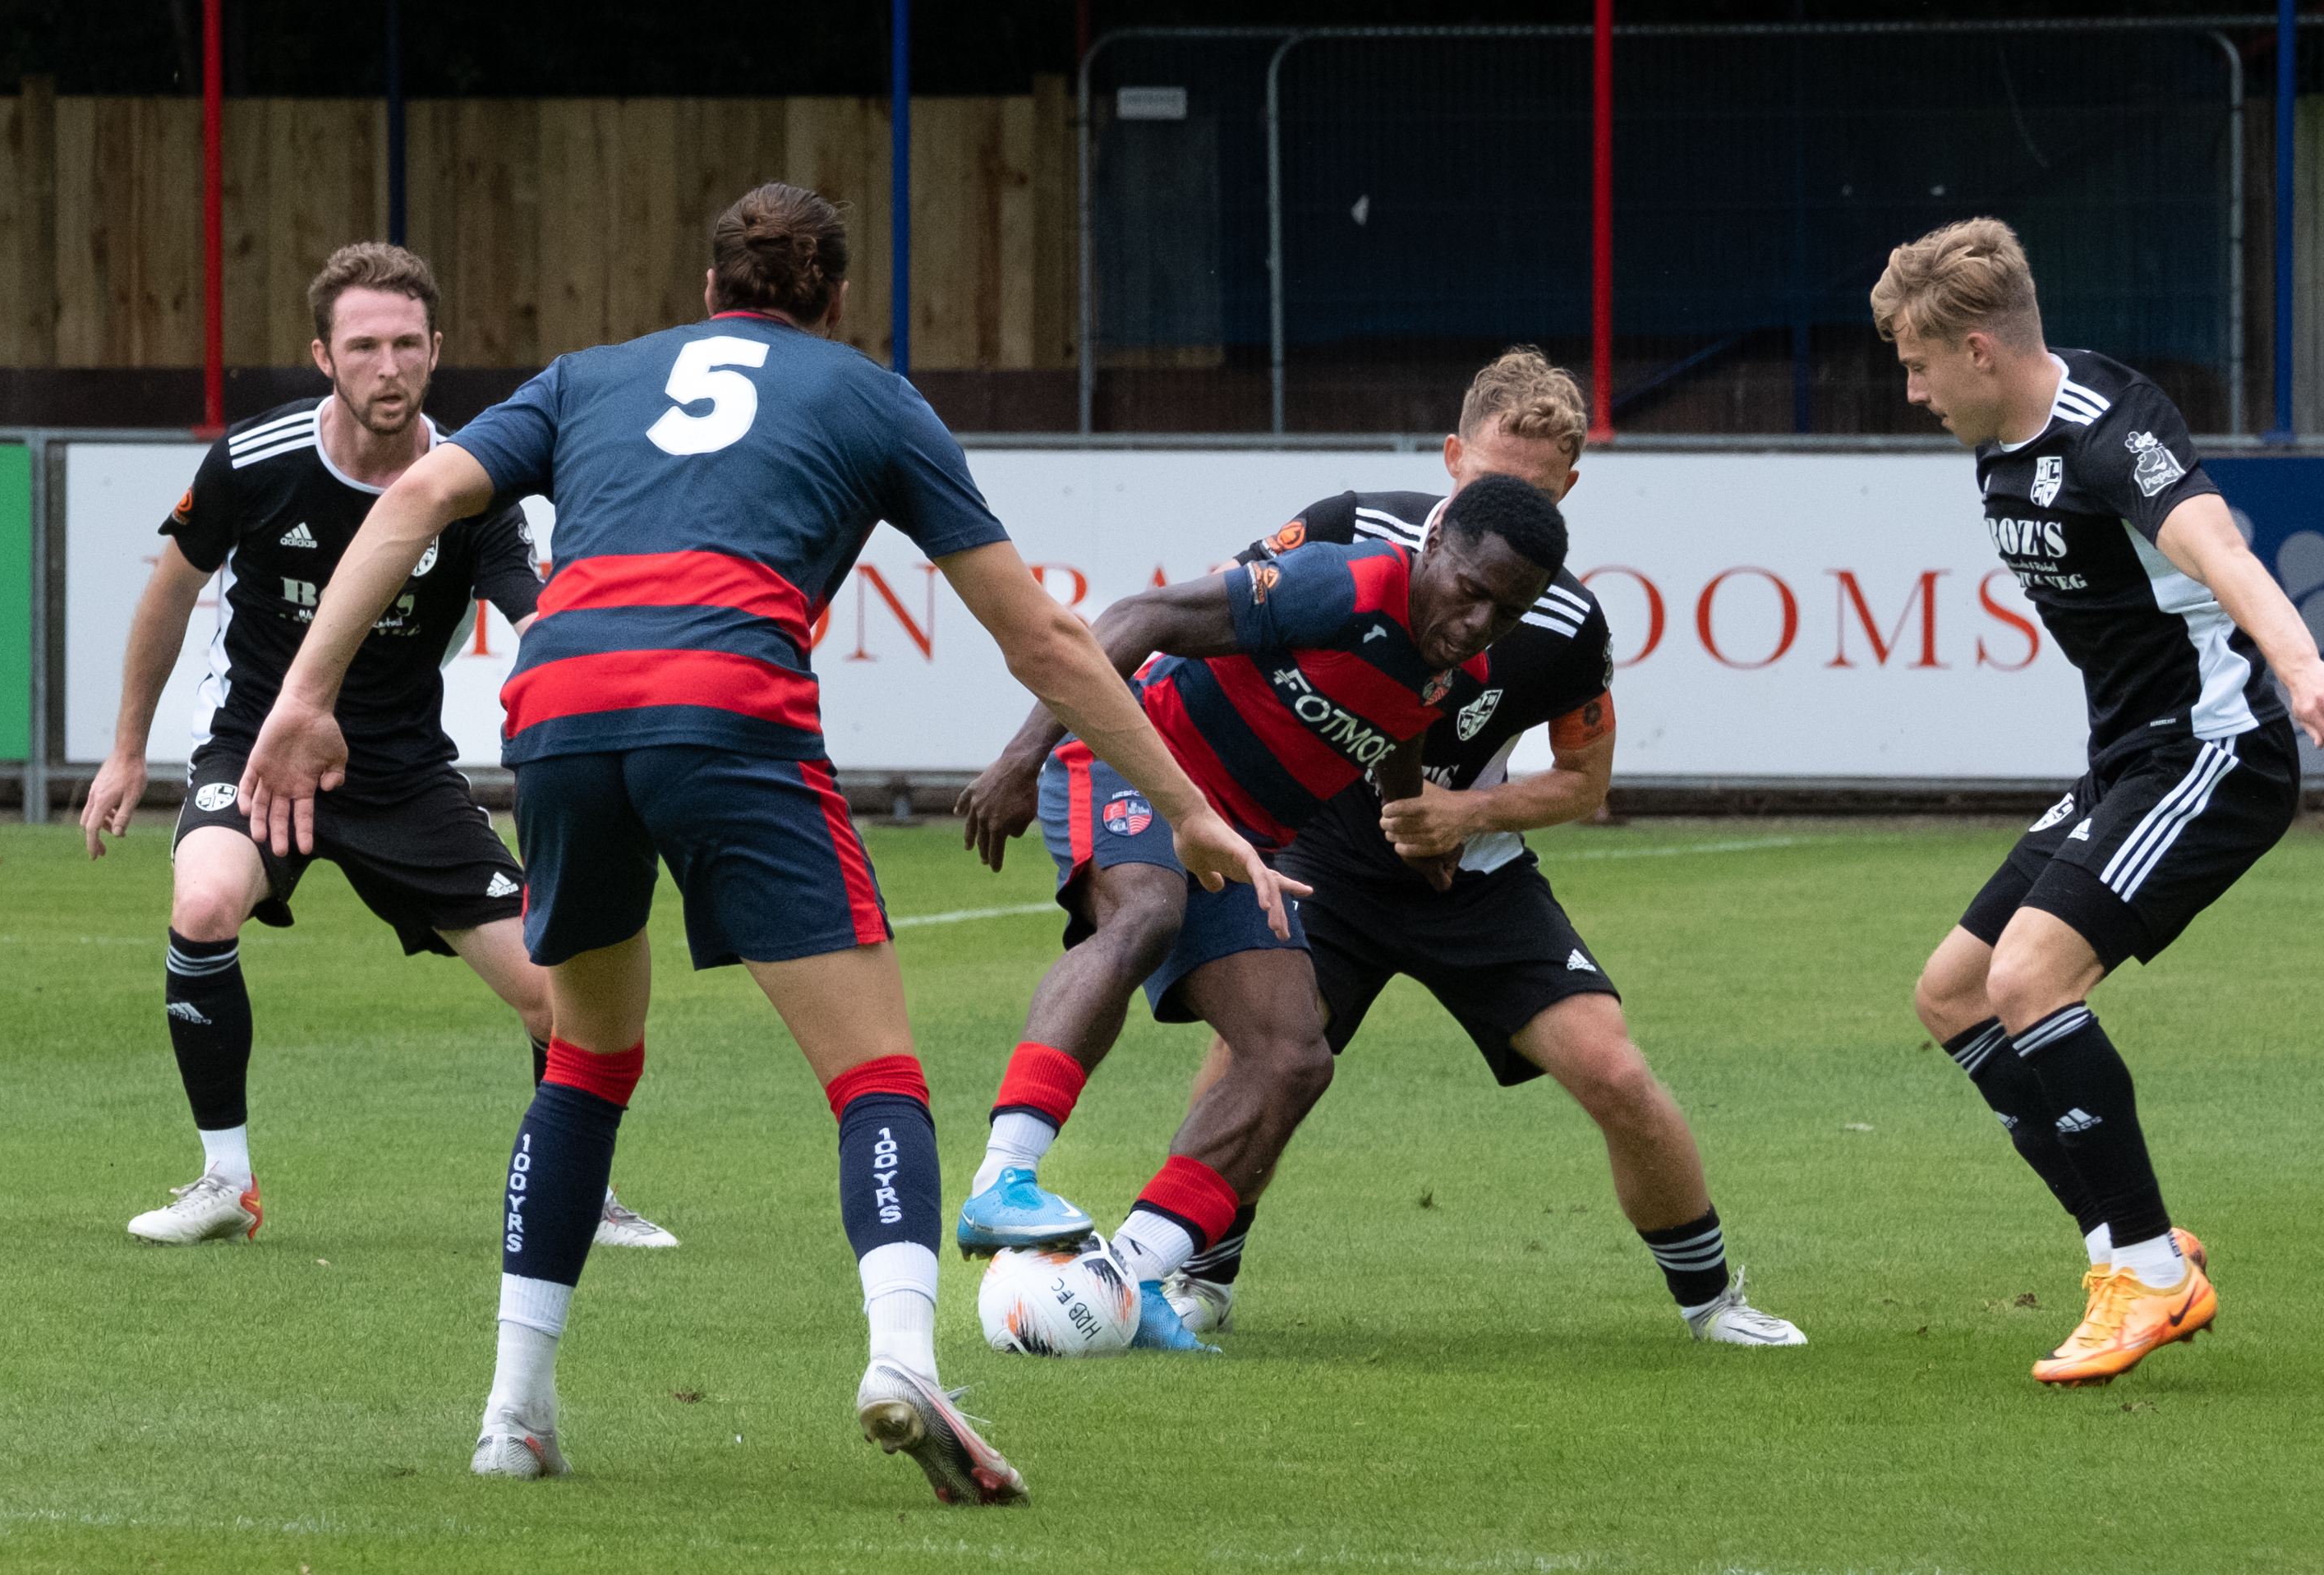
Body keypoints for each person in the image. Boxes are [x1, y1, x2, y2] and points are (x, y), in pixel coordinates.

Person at [237, 183, 1287, 1504]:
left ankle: (515, 1411)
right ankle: (904, 1358)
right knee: (876, 1077)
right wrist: (1187, 804)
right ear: (836, 299)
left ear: (709, 291)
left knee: (586, 1058)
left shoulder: (587, 377)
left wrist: (303, 695)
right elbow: (1047, 640)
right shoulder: (870, 395)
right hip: (724, 705)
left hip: (559, 710)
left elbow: (412, 505)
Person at [1155, 348, 1802, 1347]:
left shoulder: (1568, 624)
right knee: (1256, 1060)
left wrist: (1468, 816)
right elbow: (1209, 636)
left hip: (1472, 881)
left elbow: (1584, 784)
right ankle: (1195, 1277)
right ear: (1453, 458)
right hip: (1323, 852)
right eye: (1492, 486)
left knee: (1616, 1075)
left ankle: (1713, 1302)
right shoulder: (1343, 531)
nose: (1510, 529)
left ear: (1570, 493)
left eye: (1538, 501)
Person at [78, 242, 674, 1252]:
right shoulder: (252, 463)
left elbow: (539, 620)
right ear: (324, 356)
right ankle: (225, 1180)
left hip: (402, 774)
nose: (387, 368)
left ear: (436, 351)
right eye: (364, 347)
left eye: (406, 345)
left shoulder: (470, 486)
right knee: (205, 900)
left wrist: (622, 699)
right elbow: (169, 592)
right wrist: (127, 750)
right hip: (257, 754)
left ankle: (579, 1194)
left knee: (556, 995)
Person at [1876, 219, 2324, 1386]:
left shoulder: (2110, 432)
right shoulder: (1996, 434)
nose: (1910, 390)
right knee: (1955, 995)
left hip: (2215, 752)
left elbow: (2222, 554)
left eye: (1918, 364)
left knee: (2029, 979)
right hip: (2125, 757)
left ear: (1981, 352)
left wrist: (2301, 662)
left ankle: (2150, 1273)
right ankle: (2133, 1247)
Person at [951, 472, 1568, 1352]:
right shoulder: (1345, 584)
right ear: (1435, 547)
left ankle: (1133, 1276)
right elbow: (1141, 616)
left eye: (1505, 613)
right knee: (1145, 915)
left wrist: (1411, 830)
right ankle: (1003, 1178)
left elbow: (1397, 727)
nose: (1478, 622)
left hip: (1237, 843)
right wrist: (1021, 757)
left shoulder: (1455, 669)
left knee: (1294, 1058)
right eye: (1470, 592)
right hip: (1133, 764)